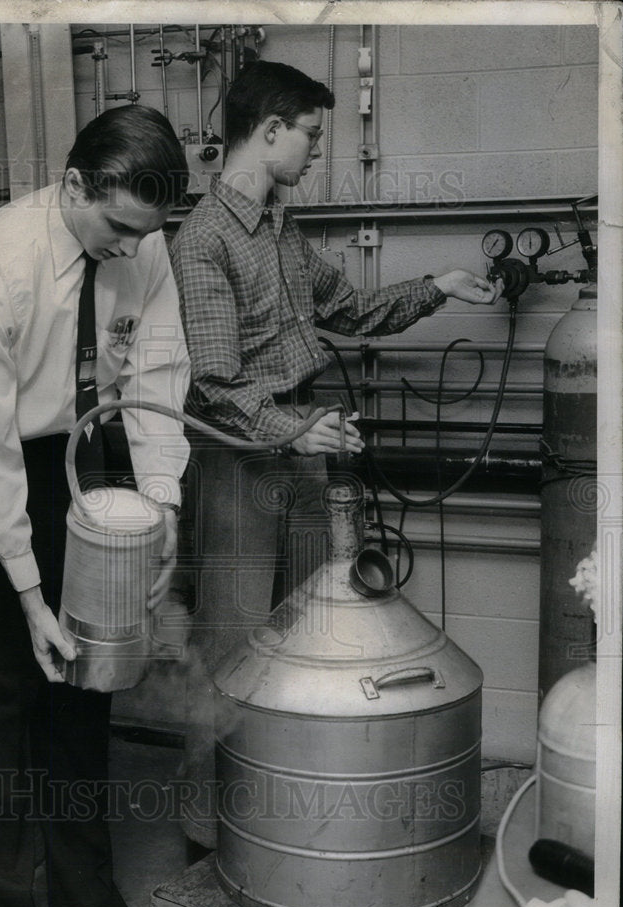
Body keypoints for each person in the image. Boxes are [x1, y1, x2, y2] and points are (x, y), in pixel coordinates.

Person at [170, 60, 503, 847]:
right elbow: (216, 383)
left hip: (303, 454)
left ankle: (285, 821)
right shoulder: (202, 241)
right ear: (270, 130)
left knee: (312, 631)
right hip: (239, 463)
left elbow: (348, 309)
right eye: (310, 135)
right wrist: (293, 429)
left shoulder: (284, 233)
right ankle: (207, 838)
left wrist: (438, 284)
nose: (316, 150)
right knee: (233, 644)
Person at [0, 105, 190, 907]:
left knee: (84, 690)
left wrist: (160, 510)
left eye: (142, 232)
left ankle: (84, 906)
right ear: (73, 184)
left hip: (90, 454)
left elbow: (156, 374)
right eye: (116, 226)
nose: (128, 248)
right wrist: (31, 596)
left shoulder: (141, 243)